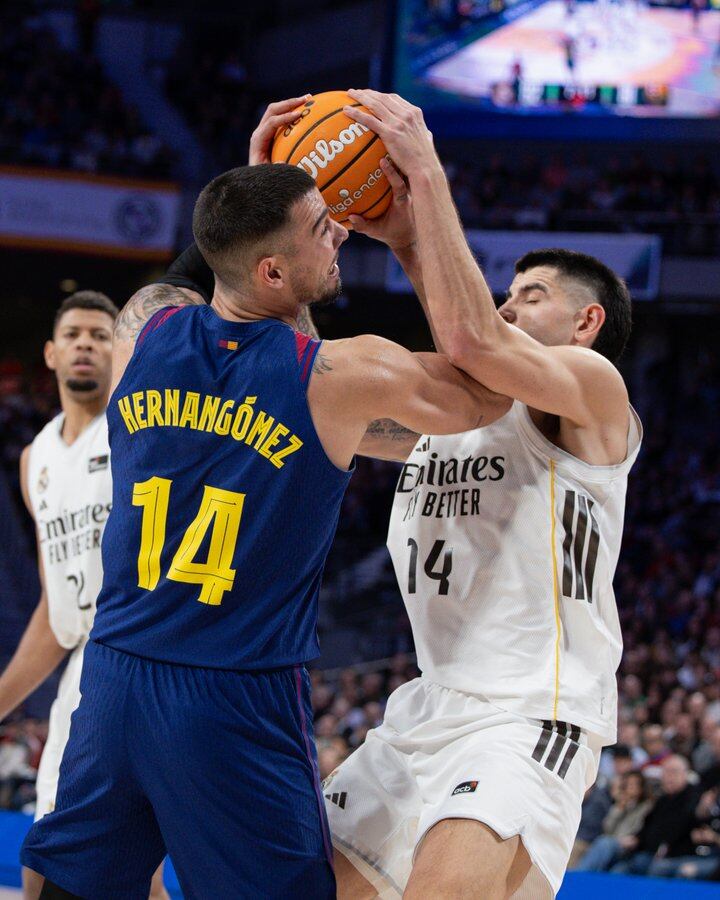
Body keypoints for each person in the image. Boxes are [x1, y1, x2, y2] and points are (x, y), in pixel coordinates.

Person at [21, 101, 510, 899]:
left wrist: (256, 189)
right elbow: (484, 392)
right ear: (275, 272)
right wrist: (420, 209)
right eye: (323, 225)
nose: (342, 230)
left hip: (113, 680)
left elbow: (223, 284)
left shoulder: (141, 333)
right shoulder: (342, 379)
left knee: (70, 883)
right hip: (233, 699)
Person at [320, 89, 642, 899]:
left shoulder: (591, 396)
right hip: (426, 708)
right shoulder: (448, 419)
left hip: (528, 714)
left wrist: (423, 174)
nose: (506, 301)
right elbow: (317, 401)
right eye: (508, 292)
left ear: (586, 323)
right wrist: (363, 234)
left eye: (531, 294)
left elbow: (471, 338)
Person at [0, 292, 168, 900]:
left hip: (137, 649)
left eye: (101, 335)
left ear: (120, 350)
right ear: (49, 352)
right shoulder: (34, 459)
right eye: (73, 334)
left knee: (70, 852)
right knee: (79, 857)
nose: (85, 345)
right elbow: (56, 614)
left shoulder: (141, 426)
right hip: (87, 660)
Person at [611, 755, 700, 876]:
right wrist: (637, 839)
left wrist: (664, 846)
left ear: (685, 774)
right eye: (665, 772)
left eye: (673, 772)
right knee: (618, 868)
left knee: (653, 867)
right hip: (648, 851)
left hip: (677, 854)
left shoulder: (693, 798)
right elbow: (647, 825)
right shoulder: (662, 800)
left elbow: (682, 827)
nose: (668, 777)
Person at [575, 770, 652, 871]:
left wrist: (627, 839)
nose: (630, 787)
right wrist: (619, 808)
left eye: (634, 784)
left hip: (628, 845)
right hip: (612, 842)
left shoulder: (646, 807)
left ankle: (580, 874)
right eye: (628, 784)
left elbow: (639, 829)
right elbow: (607, 827)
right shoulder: (620, 805)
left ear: (642, 788)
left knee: (604, 843)